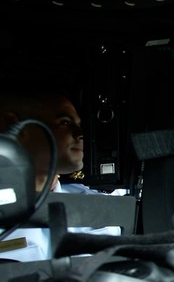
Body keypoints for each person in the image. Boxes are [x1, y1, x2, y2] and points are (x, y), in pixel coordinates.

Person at [0, 85, 119, 261]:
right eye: (64, 122)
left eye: (78, 124)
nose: (80, 133)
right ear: (12, 125)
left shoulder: (99, 205)